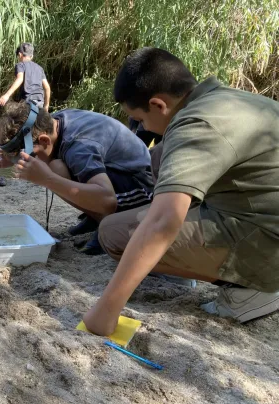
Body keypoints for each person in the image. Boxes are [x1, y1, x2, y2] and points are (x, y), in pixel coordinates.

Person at [83, 47, 279, 336]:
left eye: (139, 119)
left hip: (267, 245)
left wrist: (105, 312)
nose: (142, 127)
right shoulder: (227, 99)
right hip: (260, 212)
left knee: (113, 232)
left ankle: (247, 289)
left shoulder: (195, 125)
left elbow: (163, 224)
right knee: (160, 155)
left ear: (158, 105)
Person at [0, 101, 154, 254]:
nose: (26, 160)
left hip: (140, 187)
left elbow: (108, 201)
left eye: (28, 156)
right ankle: (95, 216)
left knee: (53, 172)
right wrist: (10, 158)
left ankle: (107, 222)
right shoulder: (53, 122)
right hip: (116, 171)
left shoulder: (79, 147)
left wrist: (46, 179)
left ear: (44, 140)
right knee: (55, 166)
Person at [0, 42, 51, 111]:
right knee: (36, 121)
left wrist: (7, 95)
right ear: (31, 56)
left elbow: (20, 79)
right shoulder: (40, 68)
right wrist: (46, 106)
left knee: (15, 119)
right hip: (40, 102)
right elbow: (47, 87)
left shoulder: (21, 65)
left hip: (28, 101)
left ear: (20, 55)